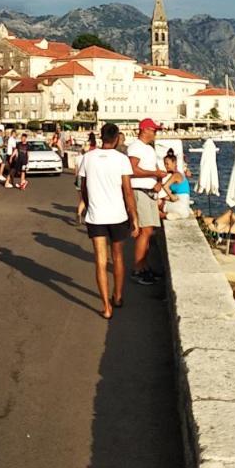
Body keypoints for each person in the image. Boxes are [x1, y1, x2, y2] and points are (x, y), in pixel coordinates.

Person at [77, 122, 138, 319]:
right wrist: (134, 217)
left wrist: (88, 204)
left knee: (100, 261)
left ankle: (106, 307)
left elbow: (83, 188)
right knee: (118, 257)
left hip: (96, 216)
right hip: (118, 215)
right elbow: (128, 191)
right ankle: (118, 296)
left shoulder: (87, 158)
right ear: (117, 138)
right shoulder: (122, 159)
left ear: (101, 136)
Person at [127, 118, 168, 285]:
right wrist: (154, 174)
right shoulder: (136, 147)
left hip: (149, 191)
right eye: (154, 130)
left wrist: (157, 180)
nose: (155, 133)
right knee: (144, 231)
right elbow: (132, 169)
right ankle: (137, 269)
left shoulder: (147, 149)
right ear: (145, 130)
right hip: (140, 191)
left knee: (148, 232)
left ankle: (144, 266)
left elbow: (150, 171)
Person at [161, 153, 192, 220]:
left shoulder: (176, 175)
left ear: (174, 163)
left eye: (167, 164)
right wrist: (169, 197)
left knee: (158, 203)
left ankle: (165, 215)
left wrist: (172, 197)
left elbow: (165, 186)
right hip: (184, 208)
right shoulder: (180, 175)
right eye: (165, 164)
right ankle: (174, 215)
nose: (165, 166)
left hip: (180, 207)